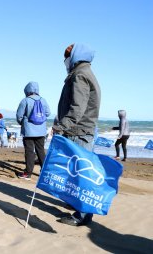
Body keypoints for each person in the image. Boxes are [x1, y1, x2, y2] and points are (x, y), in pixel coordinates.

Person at [52, 43, 101, 227]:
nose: (65, 61)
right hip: (82, 132)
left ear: (74, 56)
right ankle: (80, 208)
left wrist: (61, 127)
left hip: (78, 133)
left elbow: (77, 109)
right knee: (79, 173)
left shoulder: (80, 75)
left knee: (80, 174)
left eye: (66, 56)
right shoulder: (84, 72)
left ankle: (81, 216)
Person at [16, 82, 51, 180]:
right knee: (41, 151)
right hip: (41, 130)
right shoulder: (43, 100)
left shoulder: (25, 101)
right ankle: (44, 172)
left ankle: (28, 173)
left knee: (29, 152)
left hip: (28, 131)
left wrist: (23, 123)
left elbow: (19, 116)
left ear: (27, 90)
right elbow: (48, 113)